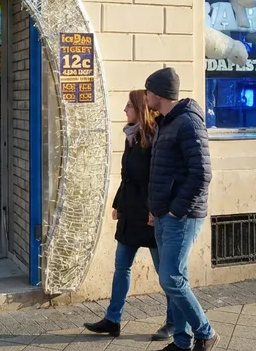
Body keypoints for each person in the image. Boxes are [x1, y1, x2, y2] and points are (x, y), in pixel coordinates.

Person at [84, 90, 174, 341]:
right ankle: (113, 320)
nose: (125, 110)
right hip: (130, 211)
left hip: (149, 213)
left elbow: (159, 177)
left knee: (165, 272)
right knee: (121, 266)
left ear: (139, 108)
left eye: (128, 106)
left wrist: (155, 210)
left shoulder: (156, 135)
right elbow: (127, 175)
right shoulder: (131, 137)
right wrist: (118, 203)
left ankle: (173, 322)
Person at [145, 67, 217, 351]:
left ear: (159, 94)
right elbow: (162, 171)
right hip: (165, 214)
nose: (146, 96)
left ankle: (206, 332)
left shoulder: (187, 122)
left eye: (148, 91)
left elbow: (201, 173)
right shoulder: (166, 121)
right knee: (176, 278)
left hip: (182, 216)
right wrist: (156, 208)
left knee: (171, 278)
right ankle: (182, 342)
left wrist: (176, 210)